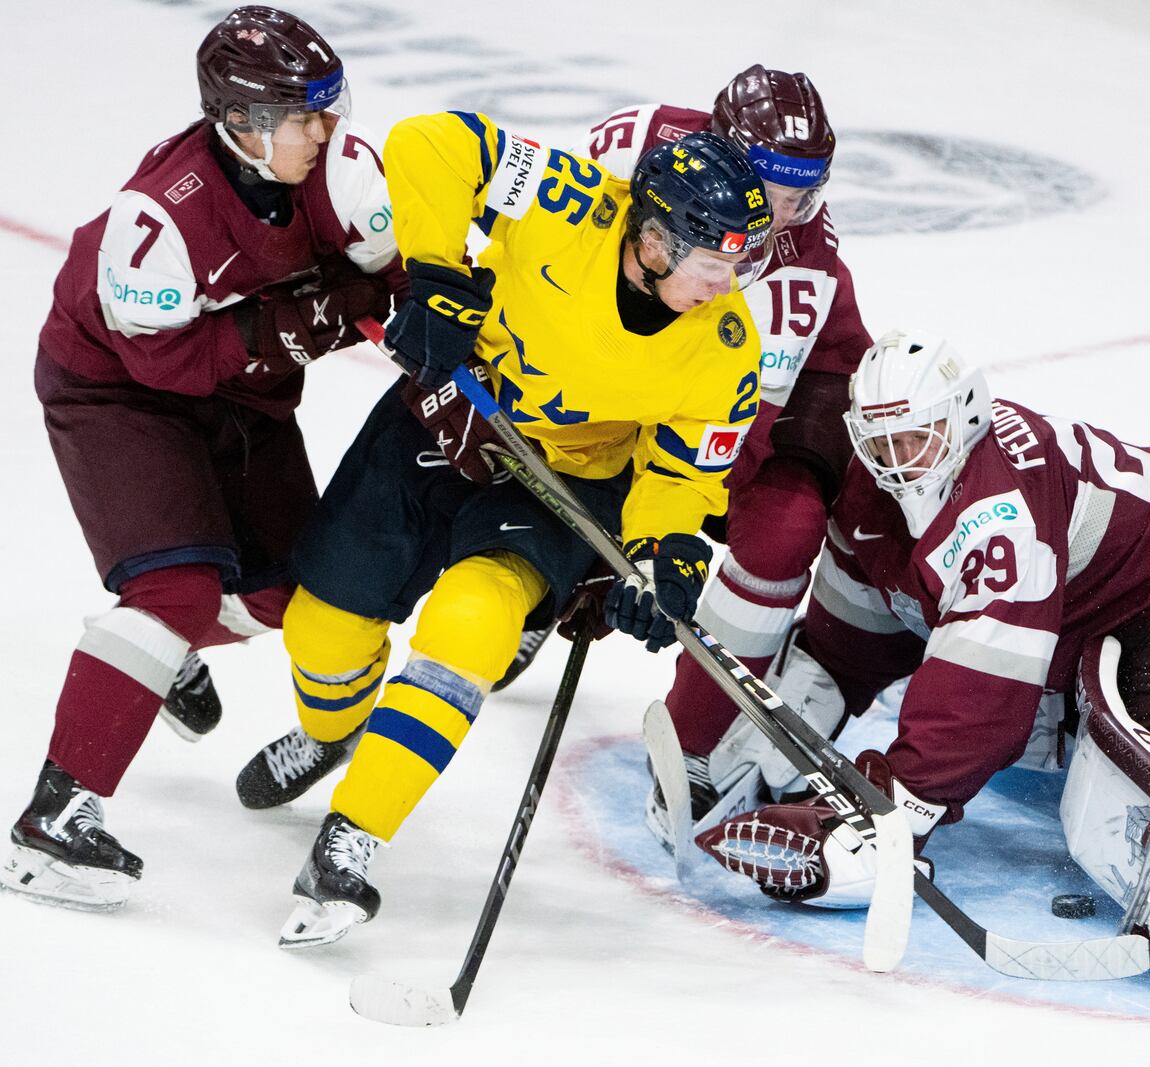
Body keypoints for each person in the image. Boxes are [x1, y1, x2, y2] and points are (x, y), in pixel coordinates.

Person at [240, 107, 774, 948]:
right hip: (450, 415)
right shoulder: (572, 204)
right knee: (324, 627)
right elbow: (430, 143)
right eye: (712, 261)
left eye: (742, 263)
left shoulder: (728, 344)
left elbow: (681, 472)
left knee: (474, 621)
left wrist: (660, 553)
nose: (726, 284)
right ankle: (332, 730)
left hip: (566, 481)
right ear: (657, 240)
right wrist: (438, 275)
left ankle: (352, 838)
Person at [681, 330, 1150, 984]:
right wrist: (775, 743)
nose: (900, 462)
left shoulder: (998, 507)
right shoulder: (872, 494)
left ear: (964, 417)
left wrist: (889, 818)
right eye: (882, 444)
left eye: (917, 437)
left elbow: (985, 702)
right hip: (1091, 600)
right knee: (1065, 738)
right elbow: (857, 636)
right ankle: (1083, 726)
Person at [0, 6, 401, 912]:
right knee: (174, 588)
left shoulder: (336, 171)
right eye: (307, 116)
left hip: (238, 397)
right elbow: (167, 361)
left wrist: (422, 311)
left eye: (330, 109)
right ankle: (53, 823)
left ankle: (159, 648)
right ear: (245, 124)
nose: (329, 130)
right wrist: (310, 317)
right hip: (117, 391)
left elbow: (390, 279)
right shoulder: (161, 220)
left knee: (302, 588)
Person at [489, 65, 873, 717]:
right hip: (677, 347)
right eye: (769, 190)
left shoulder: (798, 272)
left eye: (800, 200)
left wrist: (633, 547)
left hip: (797, 395)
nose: (781, 217)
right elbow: (561, 256)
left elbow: (725, 436)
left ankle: (720, 714)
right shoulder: (637, 140)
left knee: (779, 524)